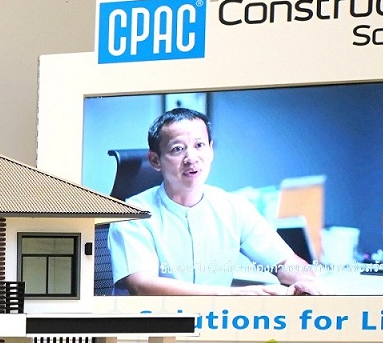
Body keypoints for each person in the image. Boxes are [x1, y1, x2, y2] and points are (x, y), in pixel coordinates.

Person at [107, 107, 319, 296]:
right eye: (177, 149)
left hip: (213, 322)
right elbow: (142, 285)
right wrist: (230, 295)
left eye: (199, 145)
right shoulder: (133, 214)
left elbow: (284, 261)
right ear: (155, 160)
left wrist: (304, 280)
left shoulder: (234, 207)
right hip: (153, 324)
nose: (191, 158)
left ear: (210, 150)